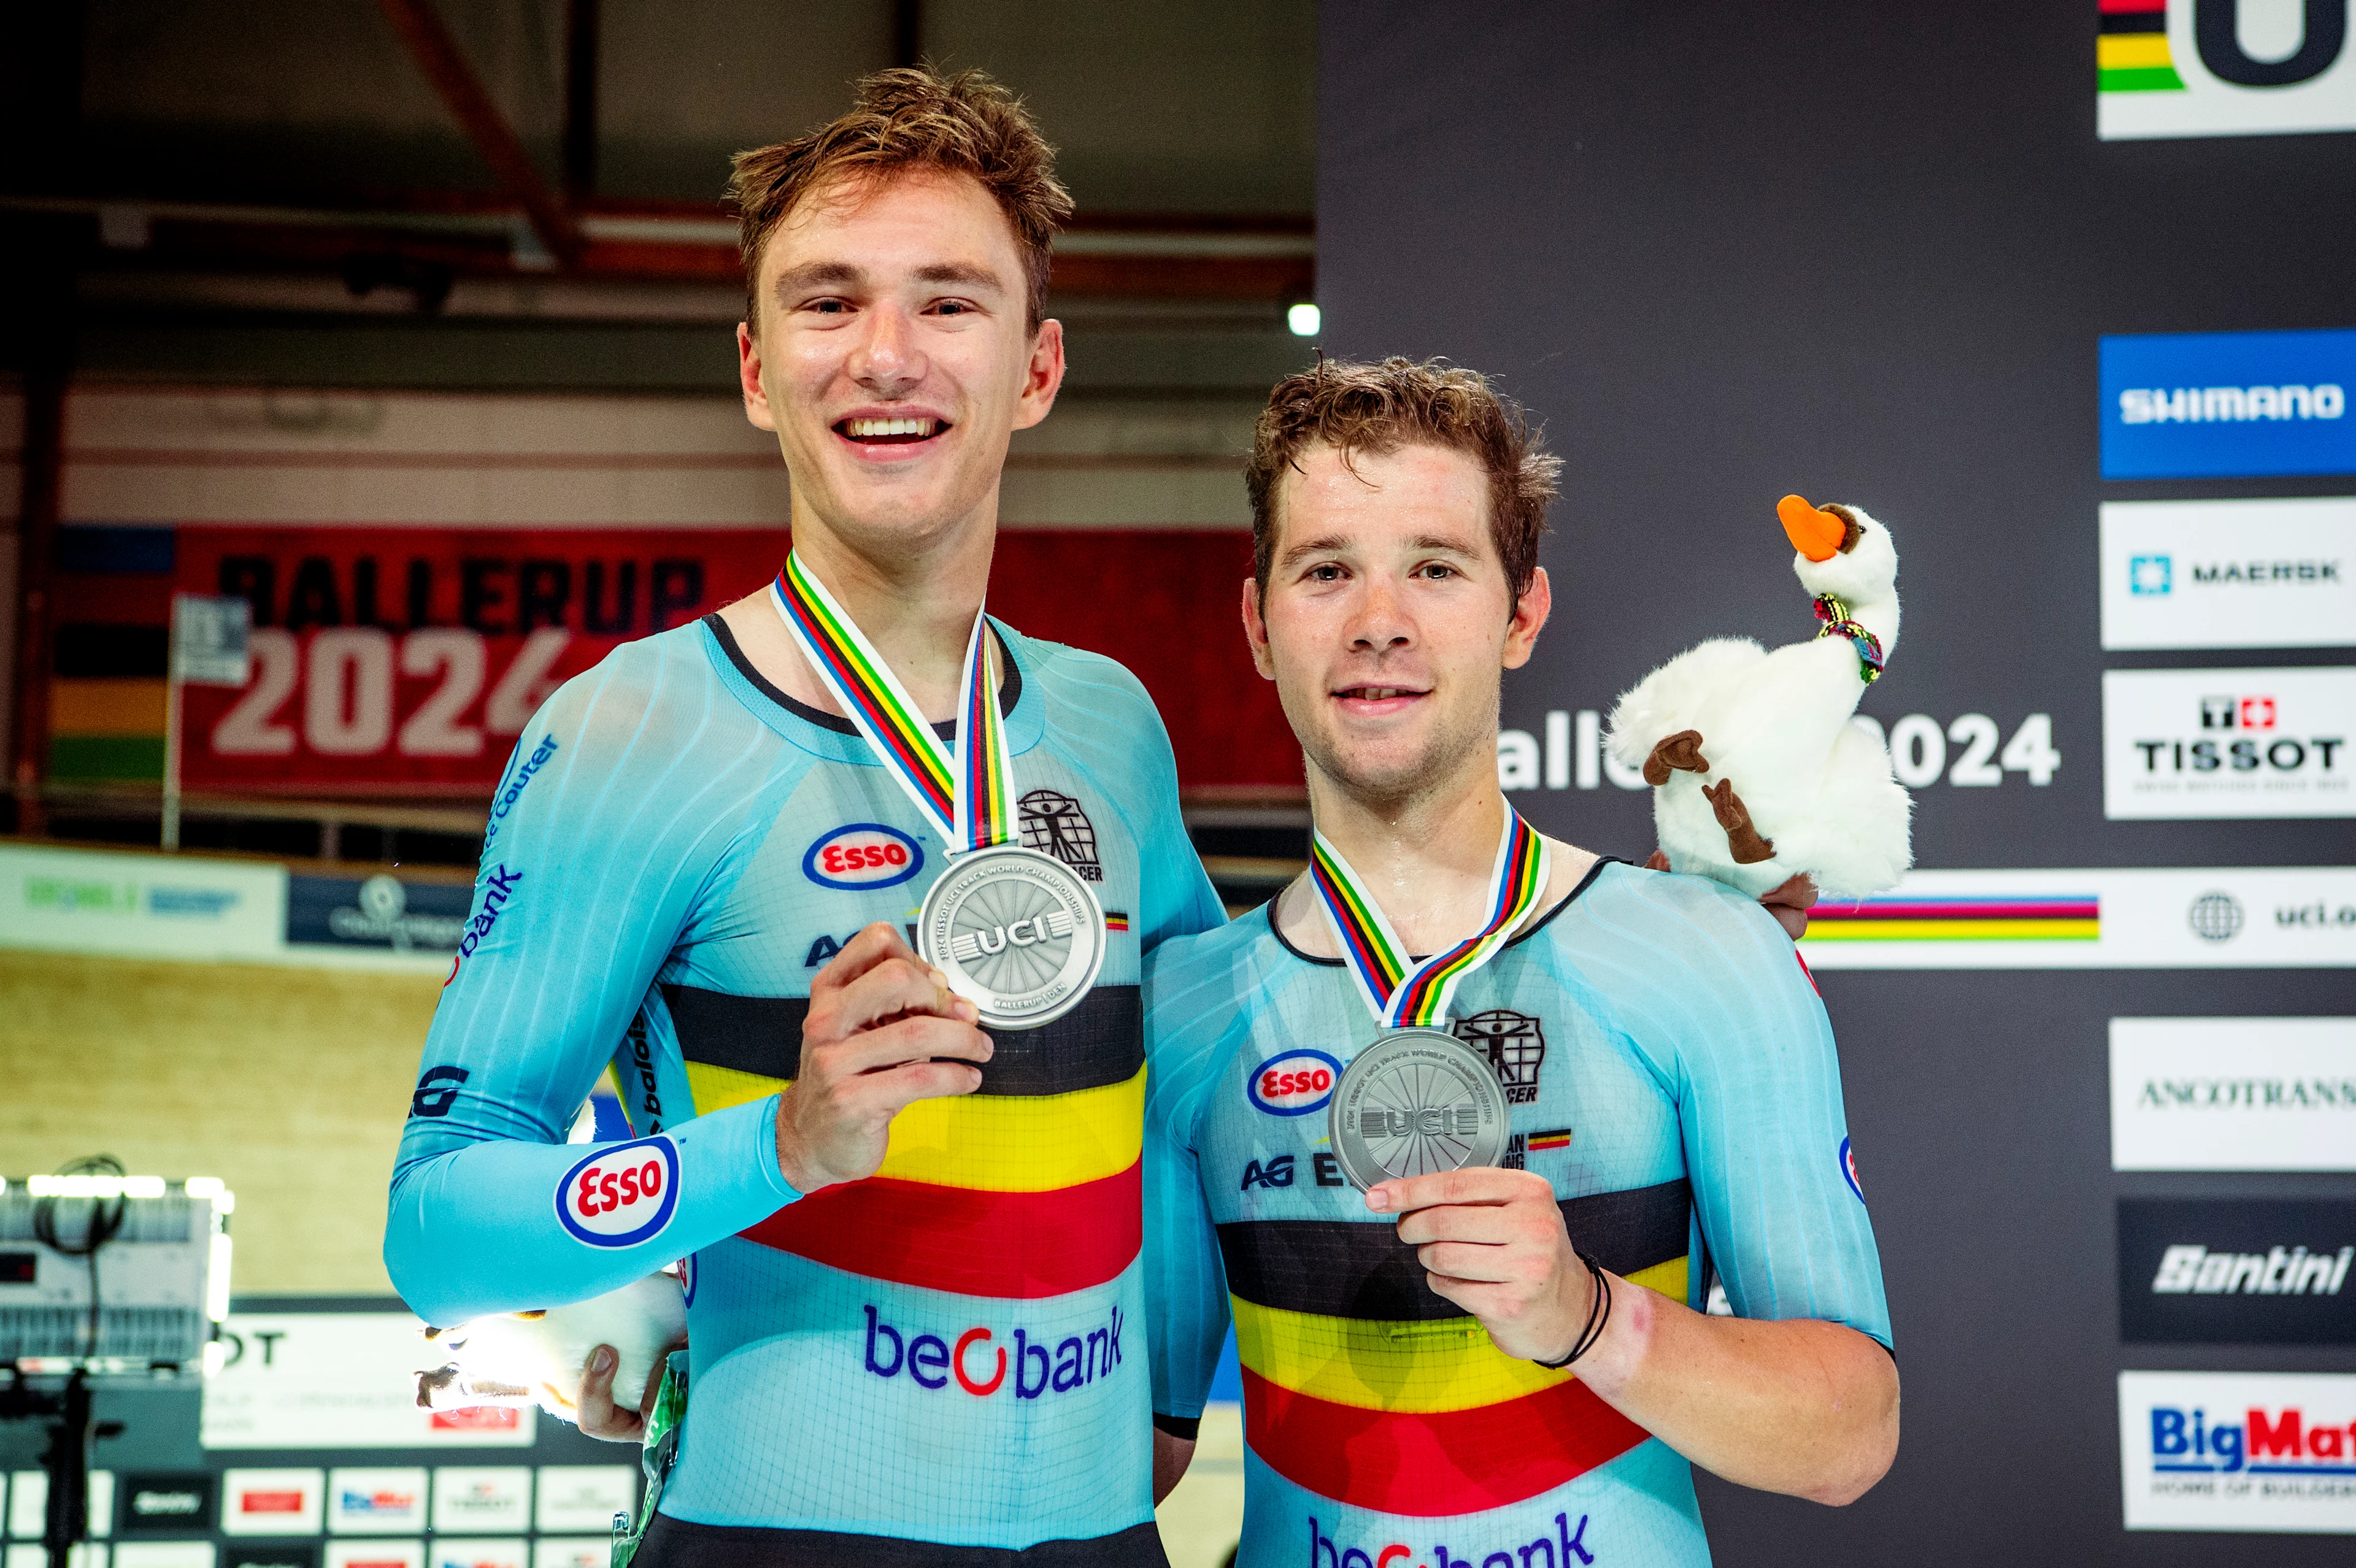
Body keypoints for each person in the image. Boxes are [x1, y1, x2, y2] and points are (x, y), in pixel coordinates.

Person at [384, 67, 1222, 1565]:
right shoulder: (632, 734)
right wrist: (778, 1143)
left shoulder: (1112, 723)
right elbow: (438, 1226)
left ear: (1036, 369)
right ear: (760, 370)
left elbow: (1191, 1090)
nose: (886, 357)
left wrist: (1167, 1396)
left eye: (950, 303)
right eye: (828, 303)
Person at [1142, 358, 1897, 1567]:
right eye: (1326, 569)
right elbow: (1145, 1450)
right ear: (1258, 624)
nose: (1377, 619)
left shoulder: (1707, 959)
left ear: (1523, 615)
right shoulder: (1185, 1010)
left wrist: (1586, 1315)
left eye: (1436, 569)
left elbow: (1849, 1435)